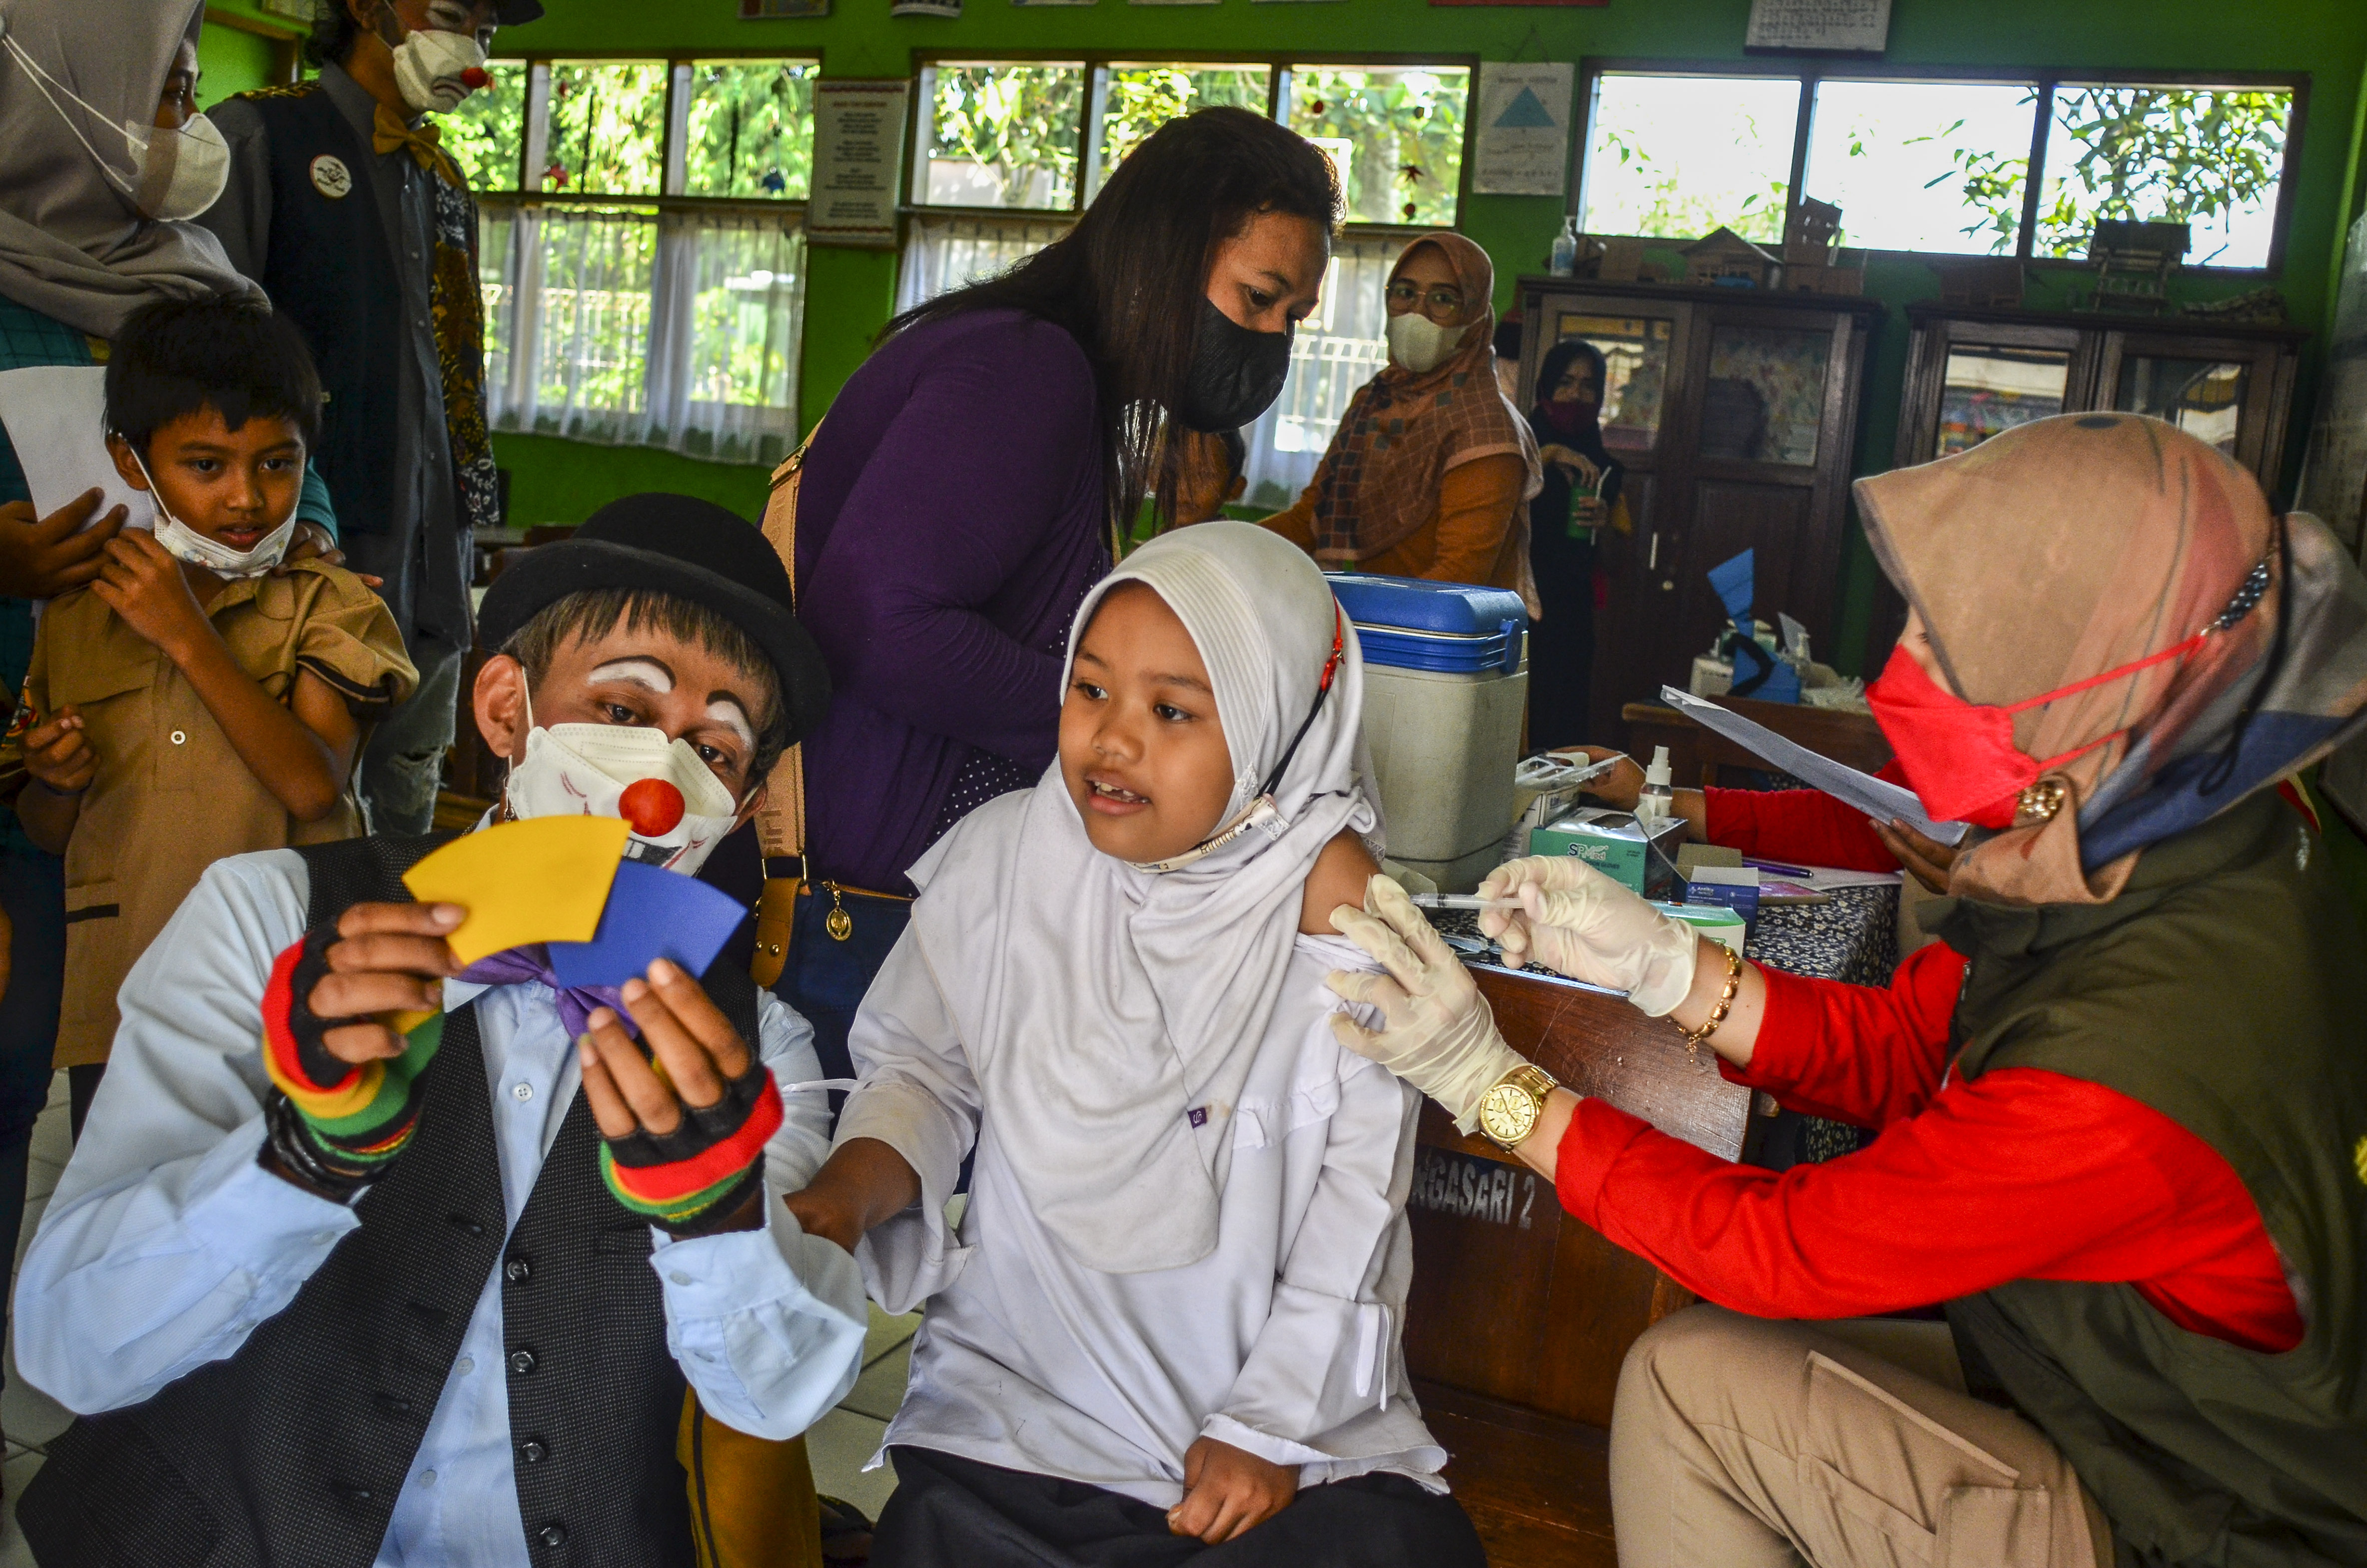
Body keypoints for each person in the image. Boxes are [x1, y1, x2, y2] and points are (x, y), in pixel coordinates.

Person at [1324, 414, 2367, 1567]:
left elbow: (1782, 1254)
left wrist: (1491, 1085)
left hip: (2214, 1504)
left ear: (2091, 668)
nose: (1902, 662)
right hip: (2115, 1384)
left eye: (1954, 638)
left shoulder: (2136, 1064)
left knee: (1691, 1391)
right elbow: (1915, 1044)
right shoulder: (2190, 819)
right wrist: (1669, 969)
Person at [13, 497, 868, 1568]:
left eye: (716, 748)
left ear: (738, 811)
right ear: (506, 712)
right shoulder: (269, 916)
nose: (662, 787)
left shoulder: (755, 1053)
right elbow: (70, 1352)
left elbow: (784, 1396)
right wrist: (298, 1162)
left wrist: (718, 1221)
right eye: (622, 708)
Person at [781, 523, 1486, 1567]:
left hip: (1260, 1425)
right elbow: (925, 1076)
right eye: (1090, 691)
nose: (1111, 743)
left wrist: (1265, 1429)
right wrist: (838, 1202)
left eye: (1171, 712)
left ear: (1271, 731)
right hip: (1020, 1400)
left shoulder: (1347, 930)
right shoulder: (1006, 861)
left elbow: (1356, 1212)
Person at [773, 106, 1336, 1086]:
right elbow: (885, 631)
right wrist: (1124, 729)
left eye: (1290, 319)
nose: (1271, 340)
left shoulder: (1043, 371)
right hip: (861, 919)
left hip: (890, 908)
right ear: (1169, 251)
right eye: (1259, 298)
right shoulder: (1025, 371)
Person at [0, 0, 345, 1428]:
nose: (186, 130)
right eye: (160, 98)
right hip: (57, 782)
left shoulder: (211, 294)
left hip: (215, 812)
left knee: (218, 1153)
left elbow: (308, 517)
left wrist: (214, 596)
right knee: (65, 1113)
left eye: (190, 93)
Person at [11, 298, 415, 1140]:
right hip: (128, 995)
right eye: (206, 465)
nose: (246, 497)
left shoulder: (331, 603)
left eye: (277, 464)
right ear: (132, 460)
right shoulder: (82, 613)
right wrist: (55, 779)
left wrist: (187, 636)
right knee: (130, 1235)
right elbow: (50, 831)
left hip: (288, 991)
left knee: (276, 1232)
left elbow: (312, 784)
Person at [198, 0, 541, 835]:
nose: (476, 41)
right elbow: (205, 373)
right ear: (364, 7)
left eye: (490, 27)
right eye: (458, 11)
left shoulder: (440, 176)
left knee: (404, 806)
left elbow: (452, 371)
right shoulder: (256, 140)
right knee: (292, 816)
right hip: (312, 554)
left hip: (429, 562)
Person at [1259, 233, 1542, 613]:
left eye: (1443, 299)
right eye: (1404, 293)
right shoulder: (1376, 401)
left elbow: (1456, 581)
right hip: (1380, 628)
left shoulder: (1486, 433)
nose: (1416, 312)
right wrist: (1215, 544)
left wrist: (1347, 616)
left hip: (1441, 649)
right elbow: (1313, 516)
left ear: (1474, 315)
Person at [1524, 340, 1626, 751]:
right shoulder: (1516, 447)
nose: (1575, 395)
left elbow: (1617, 564)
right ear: (1546, 386)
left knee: (1562, 729)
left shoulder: (1607, 473)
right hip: (1516, 607)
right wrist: (1545, 456)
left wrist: (1606, 527)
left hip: (1570, 620)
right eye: (1565, 382)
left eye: (1587, 386)